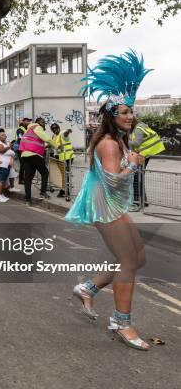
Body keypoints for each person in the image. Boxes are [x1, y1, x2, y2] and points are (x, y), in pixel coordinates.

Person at [66, 49, 152, 351]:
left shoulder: (118, 140)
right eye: (124, 112)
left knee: (137, 257)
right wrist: (135, 163)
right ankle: (121, 321)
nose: (130, 116)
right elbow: (115, 177)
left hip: (113, 204)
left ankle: (88, 288)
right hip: (105, 205)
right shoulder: (109, 144)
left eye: (131, 111)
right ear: (110, 116)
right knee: (128, 261)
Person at [19, 117, 59, 205]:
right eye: (42, 122)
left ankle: (28, 200)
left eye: (44, 122)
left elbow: (34, 142)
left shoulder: (29, 129)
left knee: (28, 178)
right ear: (38, 122)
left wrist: (45, 146)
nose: (44, 123)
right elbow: (47, 139)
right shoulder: (37, 127)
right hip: (34, 155)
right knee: (45, 172)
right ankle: (43, 192)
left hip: (25, 155)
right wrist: (57, 146)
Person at [129, 120, 165, 209]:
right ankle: (143, 201)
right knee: (139, 176)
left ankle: (137, 201)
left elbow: (136, 143)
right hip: (145, 153)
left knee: (137, 177)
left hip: (144, 153)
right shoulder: (141, 126)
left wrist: (126, 141)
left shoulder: (138, 129)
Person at [0, 128, 15, 203]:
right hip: (1, 164)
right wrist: (9, 146)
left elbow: (9, 152)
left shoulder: (4, 143)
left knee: (3, 180)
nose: (4, 136)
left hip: (6, 165)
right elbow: (1, 150)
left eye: (5, 135)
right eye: (2, 135)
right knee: (0, 180)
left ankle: (1, 194)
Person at [50, 123, 74, 198]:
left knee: (66, 174)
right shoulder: (54, 136)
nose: (55, 130)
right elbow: (53, 145)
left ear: (59, 127)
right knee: (63, 174)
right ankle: (64, 190)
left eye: (56, 128)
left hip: (67, 157)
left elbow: (65, 134)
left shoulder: (62, 133)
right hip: (60, 157)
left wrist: (68, 131)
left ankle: (66, 191)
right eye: (53, 129)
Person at [13, 117, 31, 184]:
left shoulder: (26, 129)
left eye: (29, 121)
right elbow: (21, 138)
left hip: (24, 148)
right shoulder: (20, 129)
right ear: (23, 122)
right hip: (20, 148)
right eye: (27, 121)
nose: (29, 122)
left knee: (25, 164)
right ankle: (21, 180)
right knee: (23, 164)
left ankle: (23, 179)